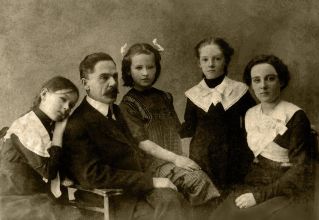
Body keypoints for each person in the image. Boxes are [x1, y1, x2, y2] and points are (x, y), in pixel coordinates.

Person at [62, 52, 190, 220]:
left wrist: (168, 170)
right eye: (104, 78)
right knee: (169, 204)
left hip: (134, 190)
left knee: (181, 196)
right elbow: (93, 176)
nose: (113, 83)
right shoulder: (77, 124)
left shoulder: (116, 111)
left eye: (115, 76)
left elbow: (134, 153)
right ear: (86, 84)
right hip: (108, 199)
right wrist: (151, 182)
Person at [211, 55, 315, 220]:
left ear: (281, 81)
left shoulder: (295, 115)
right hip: (256, 182)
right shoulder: (250, 114)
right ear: (251, 85)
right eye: (257, 80)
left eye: (270, 79)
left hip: (286, 187)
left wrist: (258, 197)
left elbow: (300, 170)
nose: (263, 86)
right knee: (219, 216)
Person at [119, 42, 220, 207]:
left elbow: (179, 131)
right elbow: (143, 143)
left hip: (175, 160)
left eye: (150, 67)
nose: (145, 73)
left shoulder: (165, 97)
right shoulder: (128, 104)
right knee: (198, 180)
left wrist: (187, 156)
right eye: (138, 68)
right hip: (152, 165)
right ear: (128, 70)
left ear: (156, 68)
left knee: (209, 170)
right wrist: (177, 159)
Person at [180, 37, 256, 192]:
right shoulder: (194, 95)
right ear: (199, 63)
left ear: (226, 61)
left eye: (217, 58)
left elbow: (255, 121)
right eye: (205, 59)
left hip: (235, 155)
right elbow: (188, 128)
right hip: (202, 158)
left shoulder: (239, 90)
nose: (211, 64)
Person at [0, 76, 82, 220]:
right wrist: (58, 134)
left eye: (71, 105)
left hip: (36, 195)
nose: (66, 108)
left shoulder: (47, 125)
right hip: (15, 197)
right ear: (44, 95)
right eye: (63, 99)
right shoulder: (26, 125)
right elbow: (48, 172)